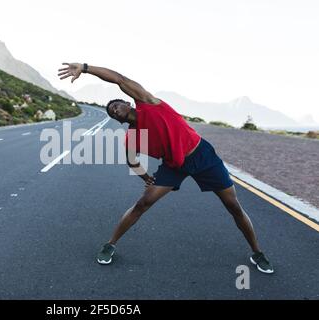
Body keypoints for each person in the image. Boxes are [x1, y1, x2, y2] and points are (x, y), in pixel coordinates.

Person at [58, 63, 274, 274]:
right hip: (174, 166)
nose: (114, 110)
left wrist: (85, 68)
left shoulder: (148, 102)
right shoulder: (131, 137)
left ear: (127, 102)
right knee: (142, 203)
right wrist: (145, 178)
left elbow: (119, 79)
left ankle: (257, 252)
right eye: (112, 113)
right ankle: (110, 244)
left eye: (115, 106)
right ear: (117, 120)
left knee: (233, 206)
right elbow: (131, 161)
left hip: (202, 155)